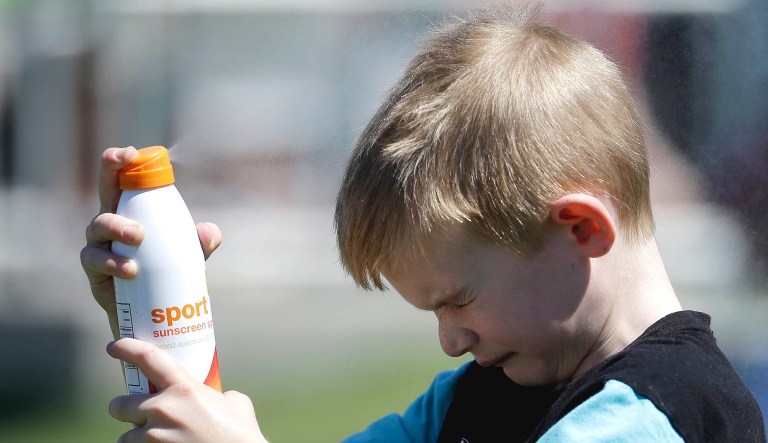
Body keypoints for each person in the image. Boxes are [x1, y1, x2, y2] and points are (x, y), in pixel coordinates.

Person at [80, 3, 766, 442]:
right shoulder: (468, 402)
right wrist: (165, 335)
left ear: (581, 229)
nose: (448, 339)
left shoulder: (653, 417)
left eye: (457, 298)